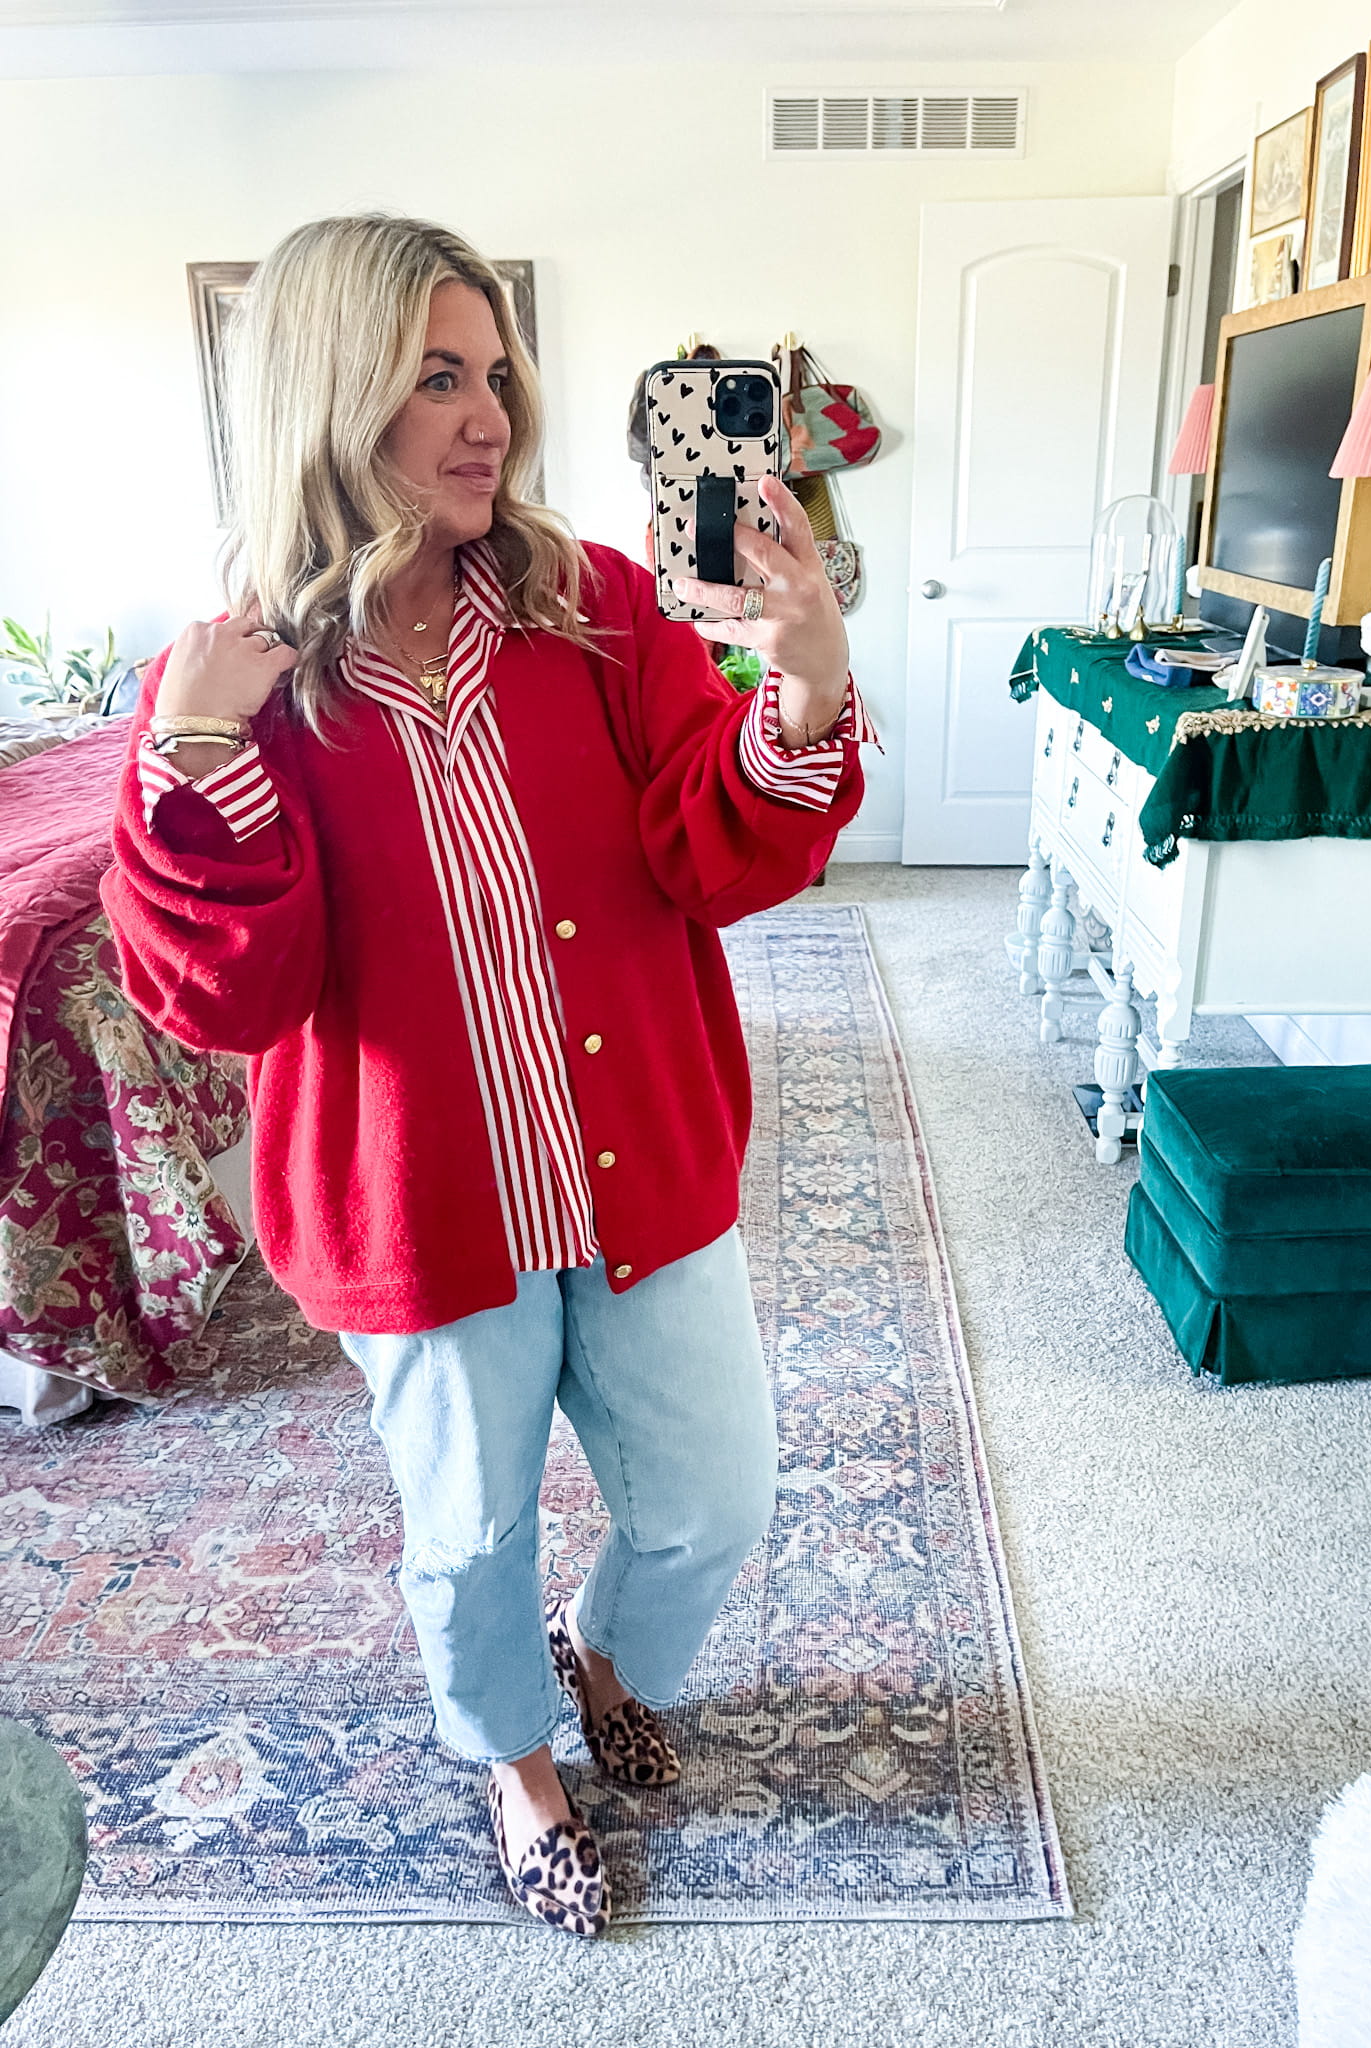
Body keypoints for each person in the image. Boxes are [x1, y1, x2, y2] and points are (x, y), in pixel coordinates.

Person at [101, 214, 877, 1938]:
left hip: (634, 1153)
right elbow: (231, 995)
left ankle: (603, 1657)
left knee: (711, 1501)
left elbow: (715, 843)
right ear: (334, 393)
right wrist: (199, 750)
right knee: (468, 1533)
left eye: (497, 376)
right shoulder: (238, 676)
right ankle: (517, 1763)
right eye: (437, 378)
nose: (490, 419)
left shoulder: (592, 603)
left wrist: (805, 677)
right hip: (425, 1202)